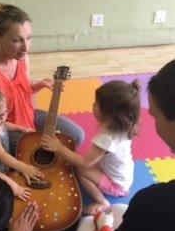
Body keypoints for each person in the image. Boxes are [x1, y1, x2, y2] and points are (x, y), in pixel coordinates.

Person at [76, 59, 175, 231]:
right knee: (120, 210)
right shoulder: (153, 206)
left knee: (87, 227)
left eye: (155, 116)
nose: (152, 123)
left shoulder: (155, 204)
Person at [0, 3, 85, 155]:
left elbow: (20, 89)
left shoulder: (23, 58)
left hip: (27, 114)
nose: (26, 47)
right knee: (37, 152)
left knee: (76, 136)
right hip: (0, 125)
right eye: (17, 40)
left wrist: (40, 85)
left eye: (29, 38)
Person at [41, 80, 141, 215]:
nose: (93, 105)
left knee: (80, 170)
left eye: (96, 104)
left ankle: (102, 201)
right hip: (122, 175)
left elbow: (84, 162)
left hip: (116, 185)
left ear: (109, 114)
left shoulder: (106, 139)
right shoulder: (125, 124)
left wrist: (58, 147)